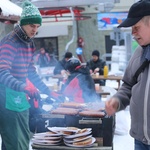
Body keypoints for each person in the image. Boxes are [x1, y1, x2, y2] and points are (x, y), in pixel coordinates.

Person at [0, 1, 61, 150]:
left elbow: (30, 72)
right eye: (32, 26)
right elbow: (1, 72)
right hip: (7, 94)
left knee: (22, 138)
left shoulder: (28, 42)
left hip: (20, 94)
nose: (35, 30)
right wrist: (23, 86)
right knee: (15, 140)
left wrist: (47, 91)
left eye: (37, 26)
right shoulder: (10, 42)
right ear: (23, 24)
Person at [105, 0, 150, 149]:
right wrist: (117, 100)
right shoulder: (139, 53)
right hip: (140, 141)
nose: (133, 33)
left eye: (136, 27)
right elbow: (128, 85)